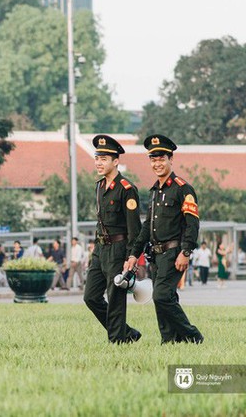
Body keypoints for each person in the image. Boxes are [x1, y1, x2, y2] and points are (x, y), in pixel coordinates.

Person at [127, 134, 203, 345]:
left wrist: (186, 252)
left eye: (162, 159)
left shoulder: (182, 188)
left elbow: (192, 224)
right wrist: (134, 253)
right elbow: (146, 227)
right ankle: (169, 340)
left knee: (161, 296)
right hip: (156, 255)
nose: (157, 163)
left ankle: (192, 335)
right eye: (153, 159)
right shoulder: (154, 192)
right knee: (166, 298)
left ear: (171, 159)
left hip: (174, 253)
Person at [84, 135, 142, 344]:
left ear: (115, 161)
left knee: (115, 298)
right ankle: (127, 332)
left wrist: (131, 256)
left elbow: (135, 228)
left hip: (119, 249)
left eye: (104, 159)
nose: (99, 163)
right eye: (97, 158)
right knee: (90, 297)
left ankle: (117, 341)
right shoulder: (99, 186)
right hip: (100, 249)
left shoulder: (127, 189)